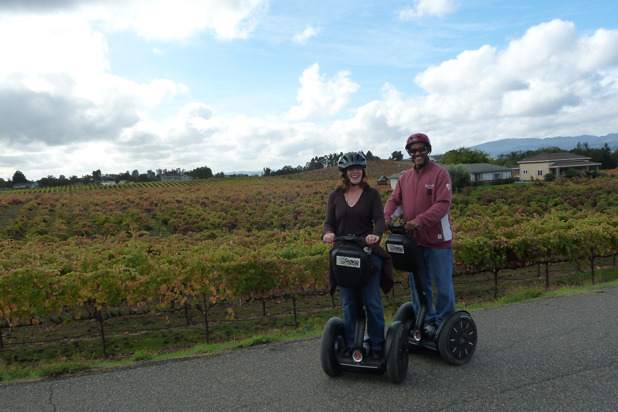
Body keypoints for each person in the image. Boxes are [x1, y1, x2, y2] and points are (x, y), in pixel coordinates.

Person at [384, 133, 455, 337]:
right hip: (413, 242)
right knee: (418, 284)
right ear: (409, 153)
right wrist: (386, 217)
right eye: (413, 150)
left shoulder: (440, 174)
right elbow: (395, 201)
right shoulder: (405, 177)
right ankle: (426, 320)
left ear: (428, 150)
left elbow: (442, 205)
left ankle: (443, 323)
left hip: (438, 241)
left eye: (421, 149)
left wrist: (418, 221)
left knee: (442, 284)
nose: (417, 153)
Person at [323, 152, 393, 358]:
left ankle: (378, 346)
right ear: (344, 172)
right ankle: (353, 343)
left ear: (363, 171)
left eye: (358, 168)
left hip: (366, 251)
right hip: (344, 253)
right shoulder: (334, 196)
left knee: (372, 301)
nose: (355, 172)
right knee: (348, 303)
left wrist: (375, 235)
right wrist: (328, 233)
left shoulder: (371, 194)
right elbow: (329, 222)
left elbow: (379, 220)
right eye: (350, 169)